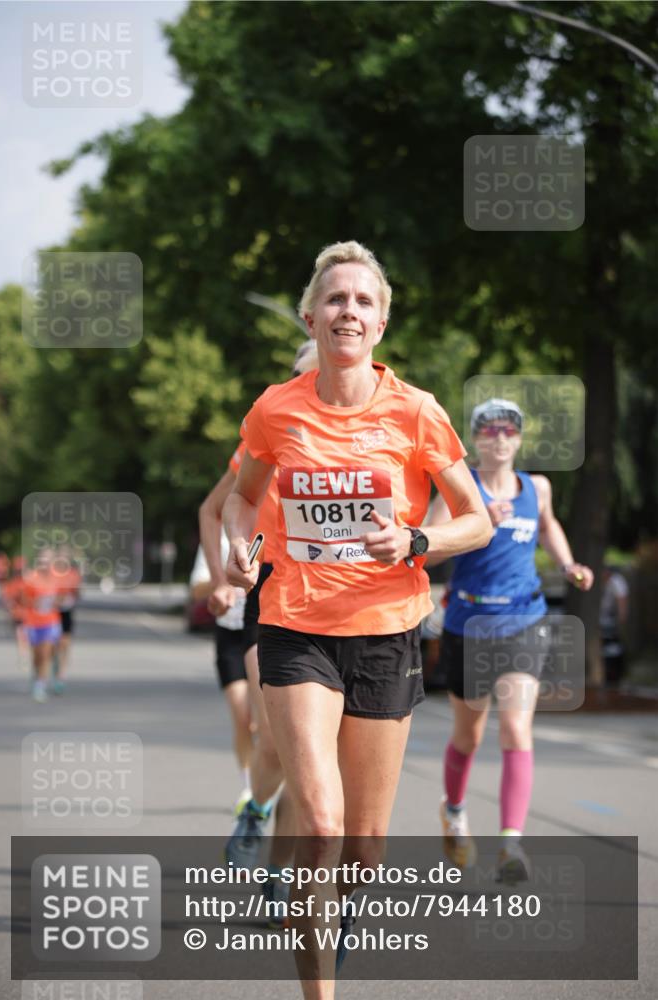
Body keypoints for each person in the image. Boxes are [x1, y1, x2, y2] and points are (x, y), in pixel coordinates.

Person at [223, 241, 492, 996]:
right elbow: (243, 497)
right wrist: (239, 552)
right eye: (335, 299)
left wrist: (415, 539)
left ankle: (323, 944)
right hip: (295, 627)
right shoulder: (277, 408)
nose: (348, 310)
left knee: (363, 852)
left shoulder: (416, 411)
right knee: (320, 822)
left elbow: (474, 521)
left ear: (379, 324)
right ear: (311, 317)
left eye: (363, 301)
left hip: (385, 632)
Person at [429, 397, 594, 883]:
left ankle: (510, 844)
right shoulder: (460, 489)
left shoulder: (537, 487)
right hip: (469, 624)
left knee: (516, 730)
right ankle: (455, 810)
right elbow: (429, 550)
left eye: (509, 430)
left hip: (525, 619)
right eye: (490, 430)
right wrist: (479, 526)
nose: (500, 437)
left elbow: (548, 526)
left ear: (519, 439)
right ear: (476, 439)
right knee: (469, 734)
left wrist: (567, 565)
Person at [201, 340, 320, 926]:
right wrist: (228, 568)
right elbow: (213, 508)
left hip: (336, 603)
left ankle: (282, 877)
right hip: (265, 589)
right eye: (303, 373)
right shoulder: (271, 427)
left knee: (311, 767)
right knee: (277, 738)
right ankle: (254, 810)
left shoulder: (368, 428)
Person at [189, 541, 253, 813]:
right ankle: (250, 788)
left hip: (267, 631)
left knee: (268, 722)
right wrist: (224, 577)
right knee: (243, 718)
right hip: (230, 634)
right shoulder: (218, 539)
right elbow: (196, 589)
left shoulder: (270, 523)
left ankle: (272, 782)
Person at [19, 549, 63, 703]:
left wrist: (56, 602)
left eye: (48, 561)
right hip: (33, 622)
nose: (45, 564)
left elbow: (61, 598)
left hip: (51, 621)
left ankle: (40, 685)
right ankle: (36, 675)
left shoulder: (57, 578)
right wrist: (35, 603)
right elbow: (23, 600)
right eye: (42, 561)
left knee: (45, 653)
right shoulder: (31, 578)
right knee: (36, 656)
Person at [51, 546, 81, 694]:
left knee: (65, 644)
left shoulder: (73, 574)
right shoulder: (52, 573)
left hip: (67, 612)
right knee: (53, 645)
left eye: (66, 557)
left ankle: (61, 676)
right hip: (52, 613)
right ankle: (54, 666)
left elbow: (77, 593)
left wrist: (71, 596)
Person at [600, 565, 630, 688]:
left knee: (613, 648)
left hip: (611, 621)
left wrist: (621, 619)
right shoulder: (602, 582)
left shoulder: (617, 581)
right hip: (602, 619)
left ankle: (614, 676)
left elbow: (622, 600)